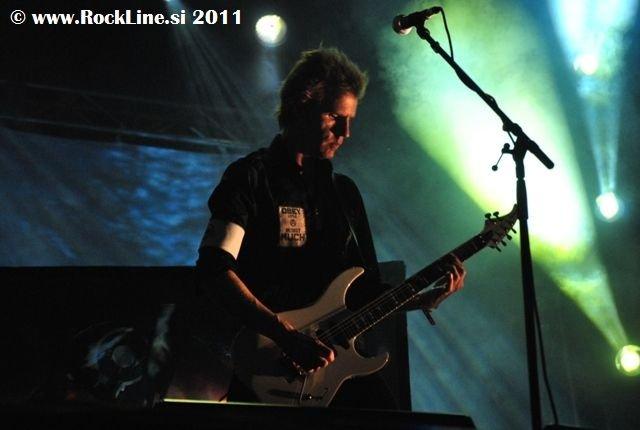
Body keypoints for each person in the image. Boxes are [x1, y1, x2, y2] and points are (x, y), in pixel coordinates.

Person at [195, 47, 466, 409]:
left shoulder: (344, 193)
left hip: (336, 367)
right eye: (335, 117)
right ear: (300, 106)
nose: (346, 132)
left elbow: (364, 290)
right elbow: (214, 268)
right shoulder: (251, 177)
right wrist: (286, 337)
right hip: (269, 364)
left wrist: (419, 300)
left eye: (350, 120)